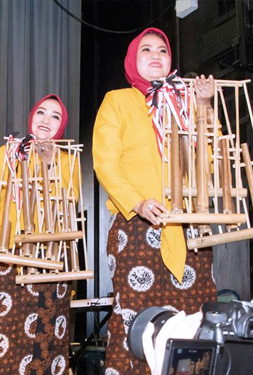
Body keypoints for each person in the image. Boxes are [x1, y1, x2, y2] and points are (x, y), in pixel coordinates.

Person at [92, 27, 218, 375]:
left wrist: (204, 106)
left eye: (162, 50)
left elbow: (209, 159)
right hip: (136, 228)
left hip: (188, 229)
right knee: (139, 322)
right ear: (134, 60)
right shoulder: (118, 100)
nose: (155, 55)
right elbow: (105, 163)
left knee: (194, 318)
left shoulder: (187, 103)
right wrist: (137, 202)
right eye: (146, 50)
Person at [0, 94, 78, 375]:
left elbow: (70, 198)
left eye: (55, 116)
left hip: (51, 259)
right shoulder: (6, 153)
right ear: (32, 117)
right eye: (41, 112)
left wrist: (48, 162)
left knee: (47, 341)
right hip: (7, 255)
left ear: (61, 126)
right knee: (4, 336)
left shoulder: (69, 160)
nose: (46, 120)